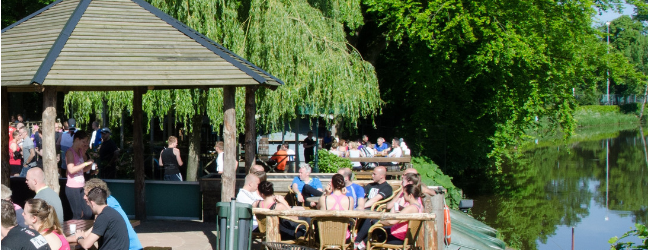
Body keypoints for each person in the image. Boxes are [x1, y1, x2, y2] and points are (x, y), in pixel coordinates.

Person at [354, 184, 423, 249]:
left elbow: (392, 222)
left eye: (404, 194)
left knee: (372, 223)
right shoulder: (419, 207)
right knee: (373, 224)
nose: (403, 196)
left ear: (410, 195)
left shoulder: (410, 208)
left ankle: (358, 242)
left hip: (396, 237)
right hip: (404, 236)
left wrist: (381, 221)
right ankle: (361, 244)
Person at [83, 179, 143, 250]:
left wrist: (75, 238)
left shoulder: (105, 207)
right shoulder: (111, 200)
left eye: (87, 195)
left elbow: (89, 235)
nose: (84, 197)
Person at [64, 130, 93, 220]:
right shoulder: (70, 152)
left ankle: (82, 229)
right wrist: (85, 163)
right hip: (73, 187)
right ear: (77, 139)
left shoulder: (80, 152)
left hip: (82, 186)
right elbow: (71, 170)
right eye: (83, 142)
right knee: (77, 214)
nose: (84, 144)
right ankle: (75, 231)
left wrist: (90, 165)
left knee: (88, 212)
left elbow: (82, 170)